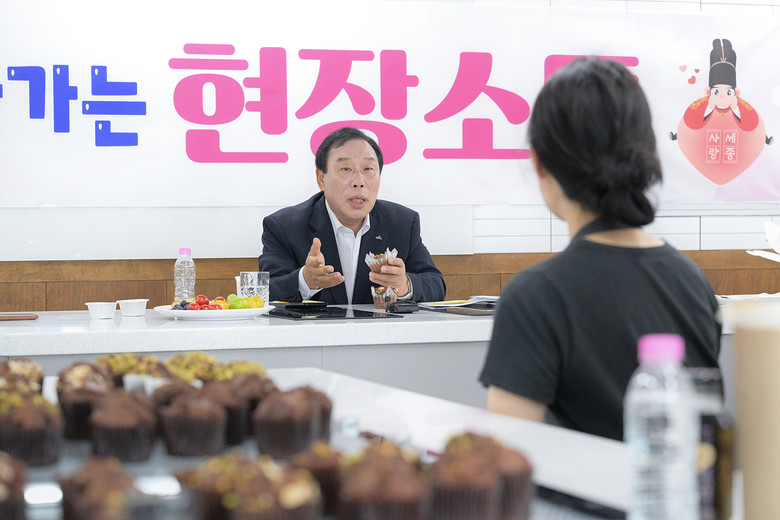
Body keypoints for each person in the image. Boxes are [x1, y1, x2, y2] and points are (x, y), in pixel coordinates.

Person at [479, 58, 722, 442]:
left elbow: (508, 458)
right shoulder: (691, 281)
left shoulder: (535, 296)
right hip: (689, 483)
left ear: (540, 162)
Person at [258, 126, 446, 305]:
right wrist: (305, 281)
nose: (359, 182)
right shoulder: (284, 226)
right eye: (346, 169)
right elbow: (267, 292)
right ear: (321, 179)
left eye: (368, 169)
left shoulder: (402, 223)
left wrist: (404, 285)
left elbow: (436, 285)